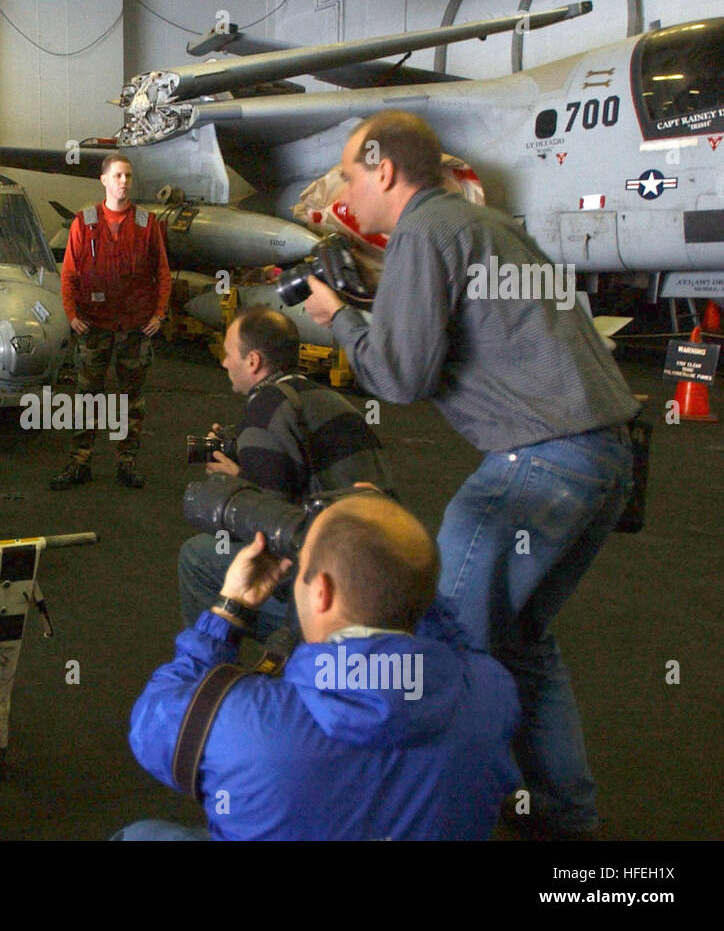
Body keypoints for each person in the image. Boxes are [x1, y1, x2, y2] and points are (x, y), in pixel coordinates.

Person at [303, 110, 641, 838]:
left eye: (349, 175)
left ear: (384, 169)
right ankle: (563, 820)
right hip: (606, 460)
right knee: (524, 644)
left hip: (541, 459)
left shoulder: (424, 231)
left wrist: (336, 316)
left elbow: (398, 376)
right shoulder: (482, 224)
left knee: (440, 642)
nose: (344, 192)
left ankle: (428, 821)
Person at [124, 492, 521, 840]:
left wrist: (229, 609)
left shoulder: (235, 721)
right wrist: (399, 564)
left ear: (322, 592)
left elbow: (151, 723)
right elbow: (459, 639)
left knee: (140, 835)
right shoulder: (492, 692)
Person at [177, 306, 389, 640]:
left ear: (253, 361)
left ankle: (214, 667)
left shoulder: (265, 411)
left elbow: (270, 533)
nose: (223, 362)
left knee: (196, 555)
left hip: (328, 589)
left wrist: (238, 485)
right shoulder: (326, 398)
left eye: (229, 354)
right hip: (379, 566)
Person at [50, 153, 171, 490]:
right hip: (94, 325)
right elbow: (69, 273)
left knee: (131, 399)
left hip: (134, 326)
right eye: (118, 176)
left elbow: (163, 273)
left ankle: (127, 463)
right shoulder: (83, 222)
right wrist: (71, 314)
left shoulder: (147, 224)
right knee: (87, 396)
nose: (124, 182)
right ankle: (79, 463)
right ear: (104, 180)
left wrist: (159, 314)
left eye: (128, 176)